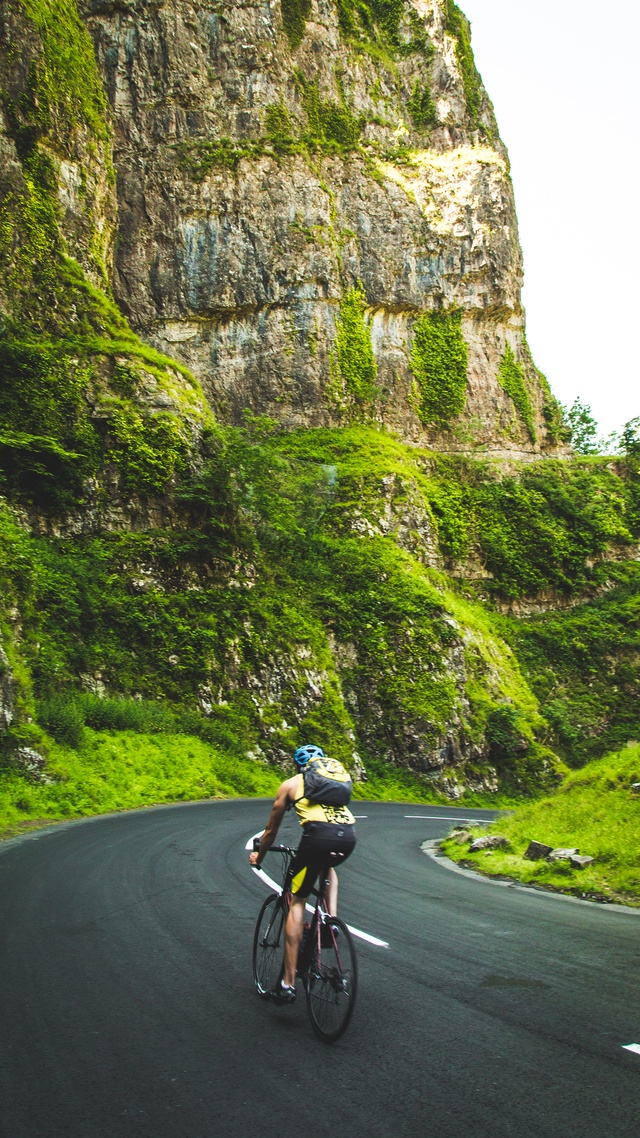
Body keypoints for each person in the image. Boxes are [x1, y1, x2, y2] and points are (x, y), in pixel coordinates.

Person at [248, 744, 357, 1005]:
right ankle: (330, 920)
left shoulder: (291, 784)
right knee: (326, 866)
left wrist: (258, 857)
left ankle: (287, 984)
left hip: (318, 838)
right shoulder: (332, 785)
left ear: (298, 766)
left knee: (297, 902)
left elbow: (270, 831)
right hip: (348, 838)